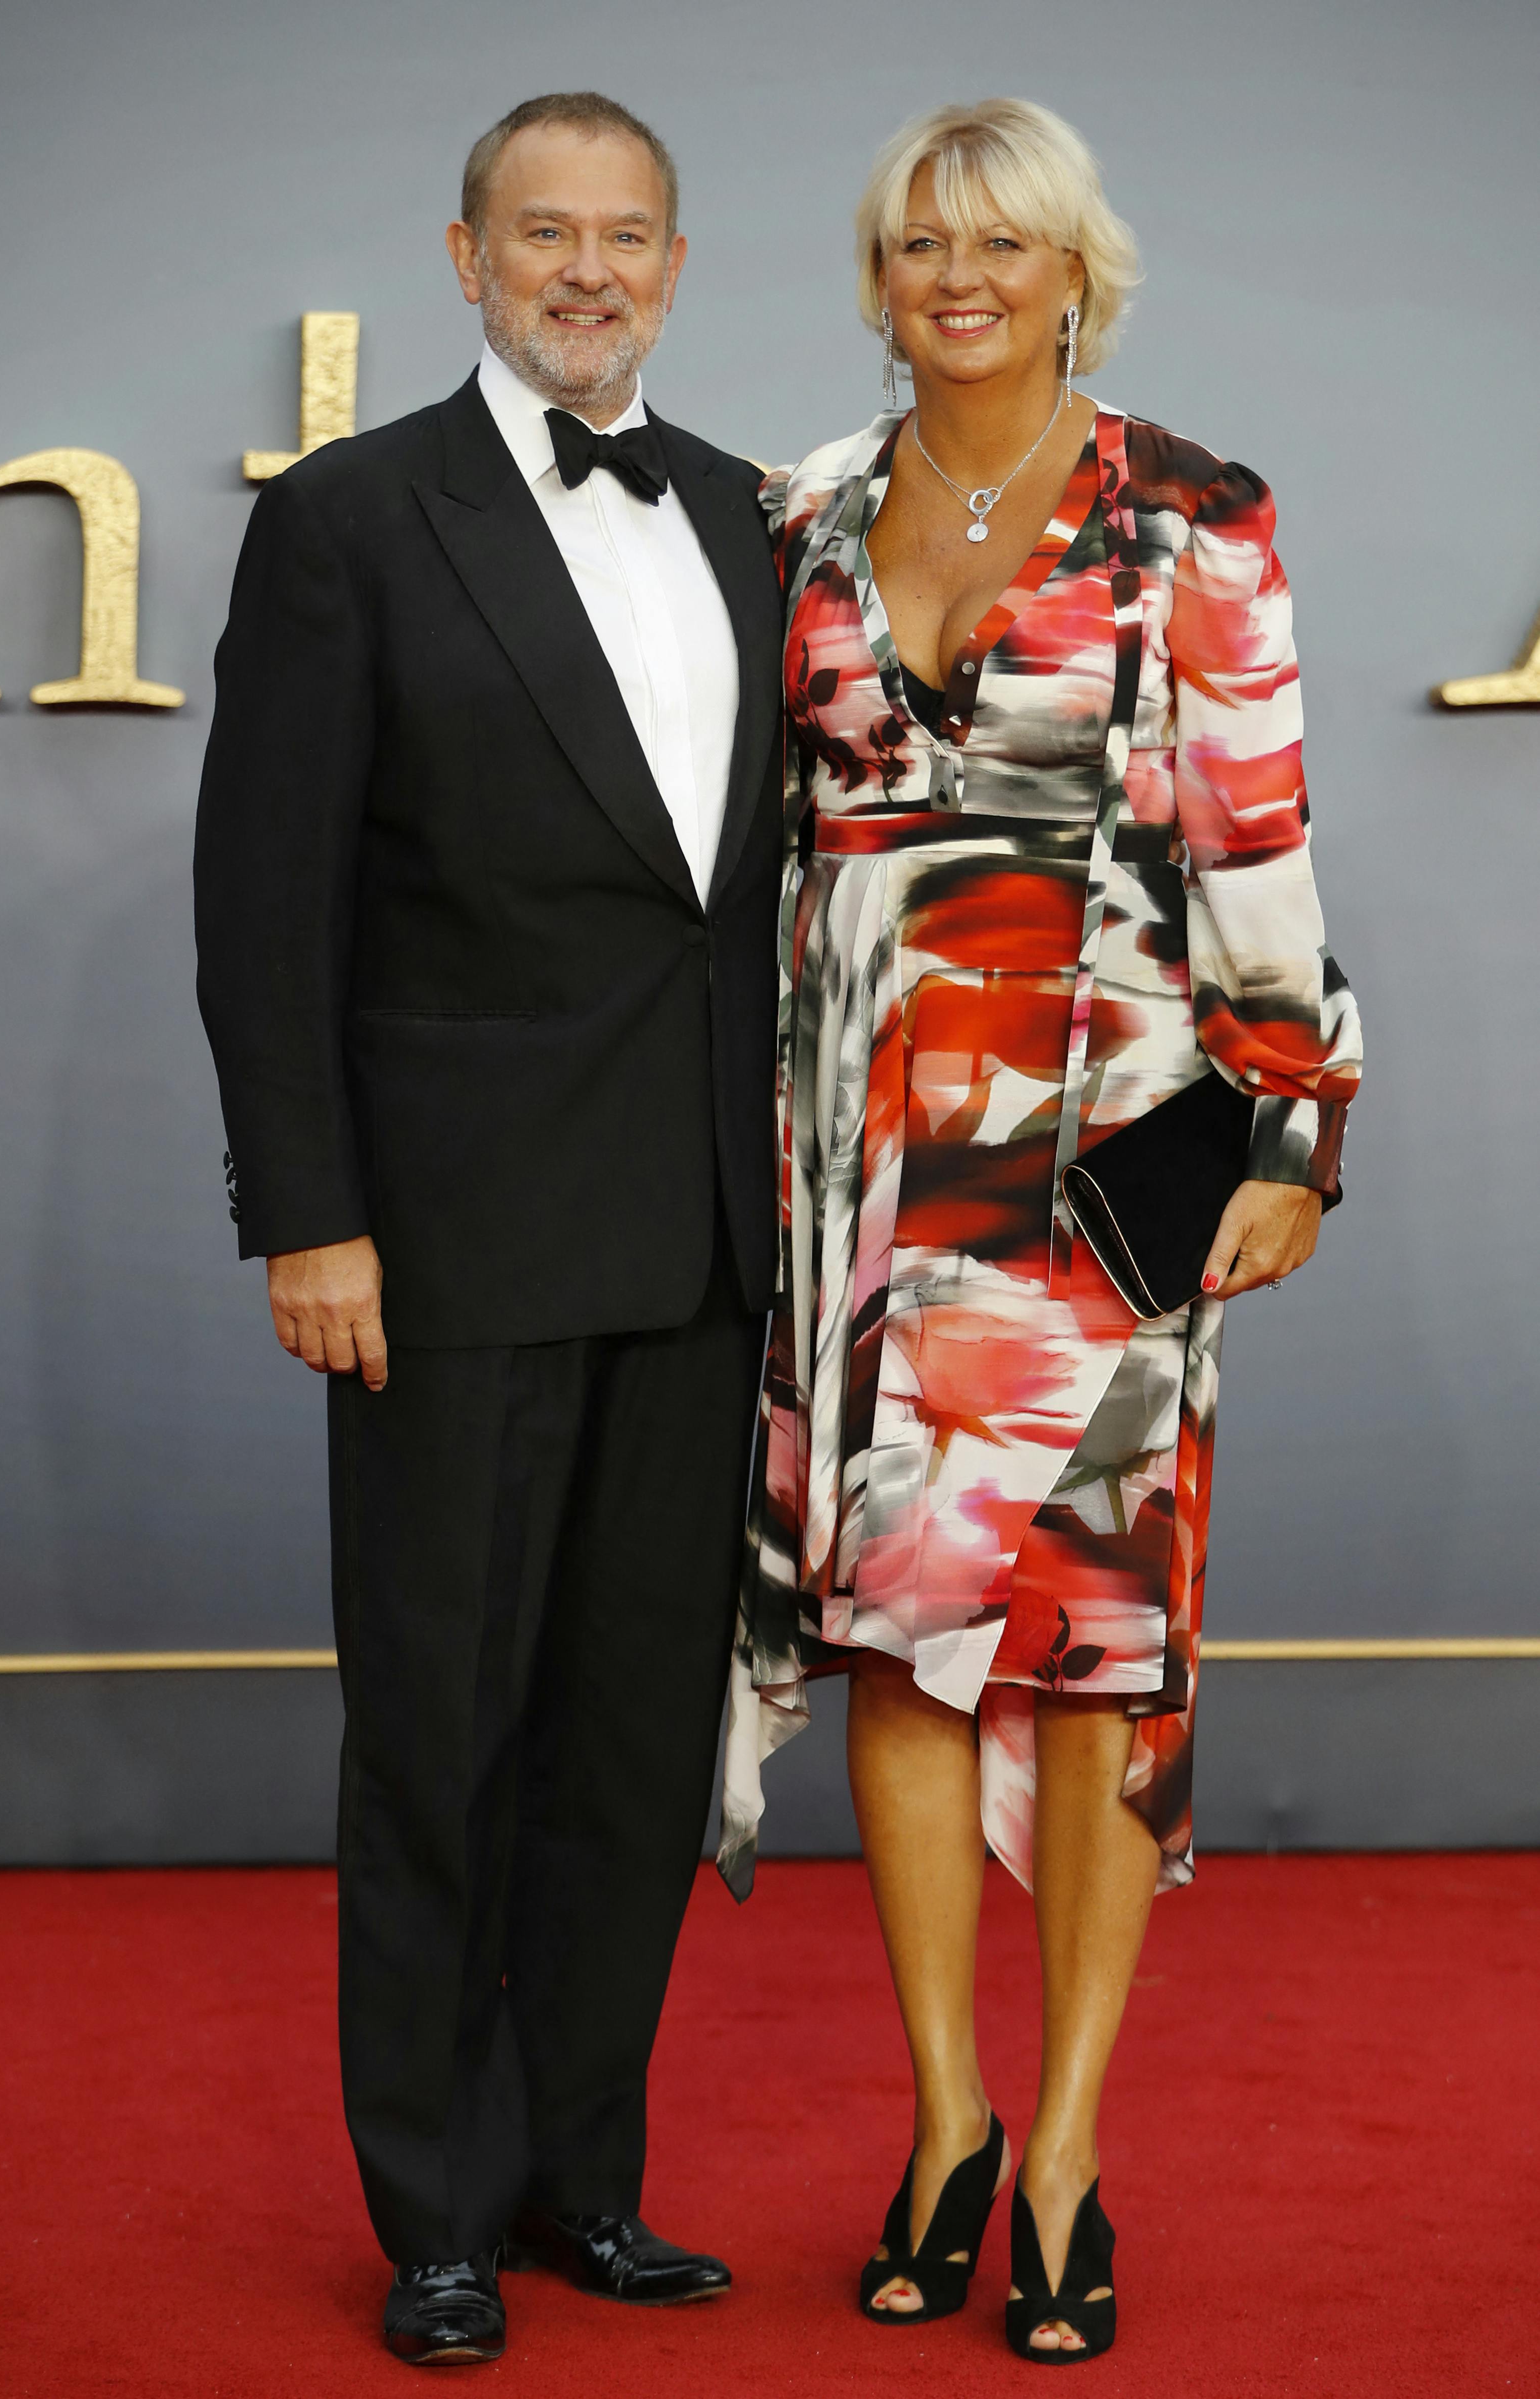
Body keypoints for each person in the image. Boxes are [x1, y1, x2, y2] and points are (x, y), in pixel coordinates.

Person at [721, 97, 1362, 2363]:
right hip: (859, 1161)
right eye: (920, 242)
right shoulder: (799, 511)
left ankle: (1069, 2150)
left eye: (1001, 241)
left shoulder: (1190, 510)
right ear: (876, 277)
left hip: (1103, 1155)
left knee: (1090, 1658)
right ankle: (945, 2124)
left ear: (1076, 268)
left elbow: (1255, 831)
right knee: (900, 1643)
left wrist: (1290, 1133)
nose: (959, 278)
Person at [194, 91, 784, 2367]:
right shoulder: (351, 518)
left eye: (627, 236)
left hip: (703, 1244)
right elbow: (266, 902)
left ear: (674, 265)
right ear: (466, 257)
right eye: (545, 232)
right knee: (440, 1739)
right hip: (444, 1252)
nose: (588, 270)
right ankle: (435, 2210)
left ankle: (579, 2181)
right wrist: (309, 1215)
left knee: (630, 1746)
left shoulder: (749, 514)